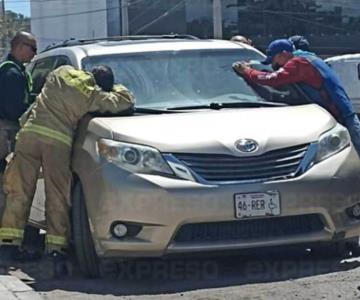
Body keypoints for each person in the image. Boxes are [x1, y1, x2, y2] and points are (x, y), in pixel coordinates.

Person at [0, 65, 135, 260]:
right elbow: (124, 101)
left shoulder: (61, 72)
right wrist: (117, 88)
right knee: (57, 194)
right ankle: (56, 249)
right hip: (57, 142)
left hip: (28, 135)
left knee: (19, 191)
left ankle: (8, 245)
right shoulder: (92, 96)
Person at [232, 39, 360, 157]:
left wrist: (247, 72)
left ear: (283, 54)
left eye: (275, 60)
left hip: (340, 113)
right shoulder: (308, 57)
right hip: (339, 111)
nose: (274, 65)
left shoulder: (298, 63)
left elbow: (274, 79)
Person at [0, 31, 37, 214]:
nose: (35, 54)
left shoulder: (17, 70)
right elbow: (13, 108)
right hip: (6, 131)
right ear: (20, 47)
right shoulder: (11, 72)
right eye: (33, 49)